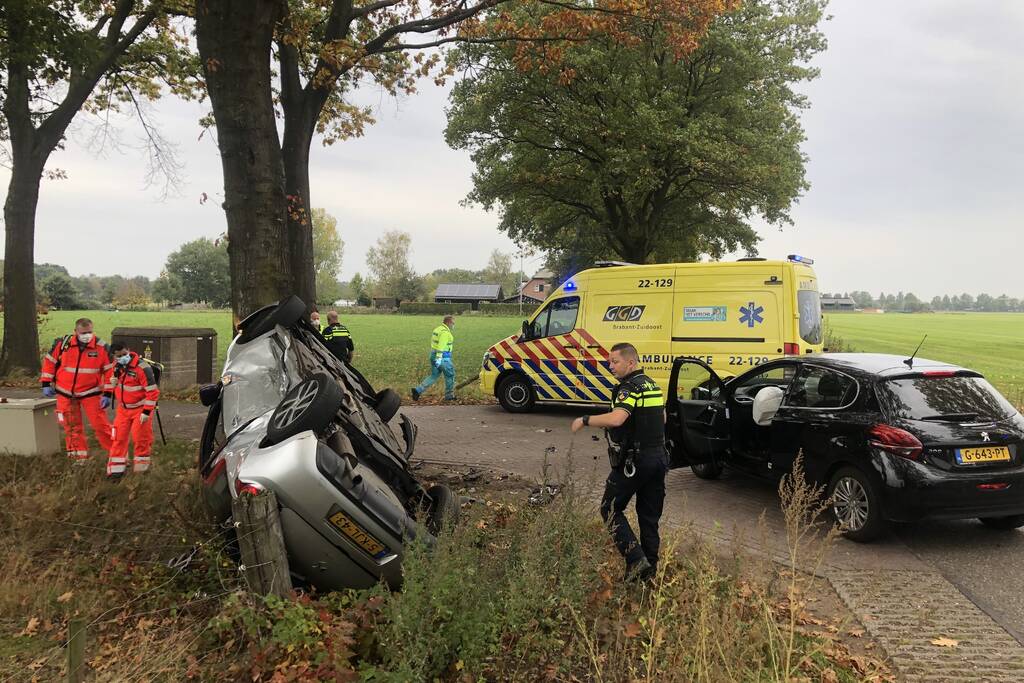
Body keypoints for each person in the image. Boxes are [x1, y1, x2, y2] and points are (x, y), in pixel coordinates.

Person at [571, 342, 667, 582]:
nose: (610, 366)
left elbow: (617, 418)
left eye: (615, 362)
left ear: (630, 362)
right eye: (609, 361)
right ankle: (649, 574)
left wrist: (585, 419)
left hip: (637, 460)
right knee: (649, 516)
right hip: (658, 458)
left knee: (610, 508)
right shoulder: (652, 385)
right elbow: (662, 418)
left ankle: (636, 560)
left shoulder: (630, 387)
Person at [39, 317, 114, 463]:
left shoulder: (102, 347)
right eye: (83, 332)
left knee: (101, 426)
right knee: (71, 427)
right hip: (65, 393)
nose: (87, 335)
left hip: (91, 392)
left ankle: (117, 454)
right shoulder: (63, 344)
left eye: (90, 332)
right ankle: (78, 458)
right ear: (75, 332)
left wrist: (109, 393)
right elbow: (49, 362)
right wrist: (46, 383)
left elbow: (111, 372)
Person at [102, 343, 161, 479]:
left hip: (140, 409)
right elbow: (114, 384)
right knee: (118, 438)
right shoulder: (116, 366)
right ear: (114, 356)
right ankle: (115, 471)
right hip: (123, 409)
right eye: (119, 356)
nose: (123, 357)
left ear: (129, 350)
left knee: (140, 438)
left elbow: (153, 392)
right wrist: (109, 390)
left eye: (124, 354)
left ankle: (141, 471)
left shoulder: (142, 368)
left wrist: (146, 412)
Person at [411, 315, 456, 401]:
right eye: (453, 323)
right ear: (448, 322)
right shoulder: (445, 333)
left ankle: (417, 390)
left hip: (432, 355)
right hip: (443, 358)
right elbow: (441, 346)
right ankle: (449, 396)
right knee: (450, 375)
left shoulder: (437, 329)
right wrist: (439, 359)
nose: (453, 325)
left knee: (434, 375)